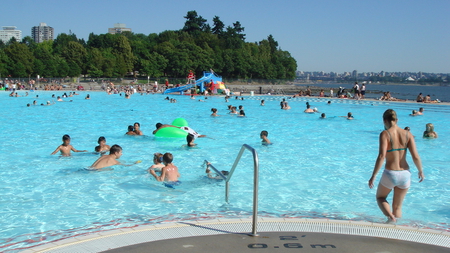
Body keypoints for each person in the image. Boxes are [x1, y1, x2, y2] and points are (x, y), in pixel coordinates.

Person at [368, 109, 424, 223]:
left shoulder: (385, 134)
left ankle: (390, 218)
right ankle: (396, 227)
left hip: (391, 173)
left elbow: (381, 156)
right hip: (405, 174)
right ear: (397, 120)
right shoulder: (408, 134)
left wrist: (373, 175)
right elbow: (416, 156)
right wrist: (420, 171)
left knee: (380, 198)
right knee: (398, 207)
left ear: (385, 121)